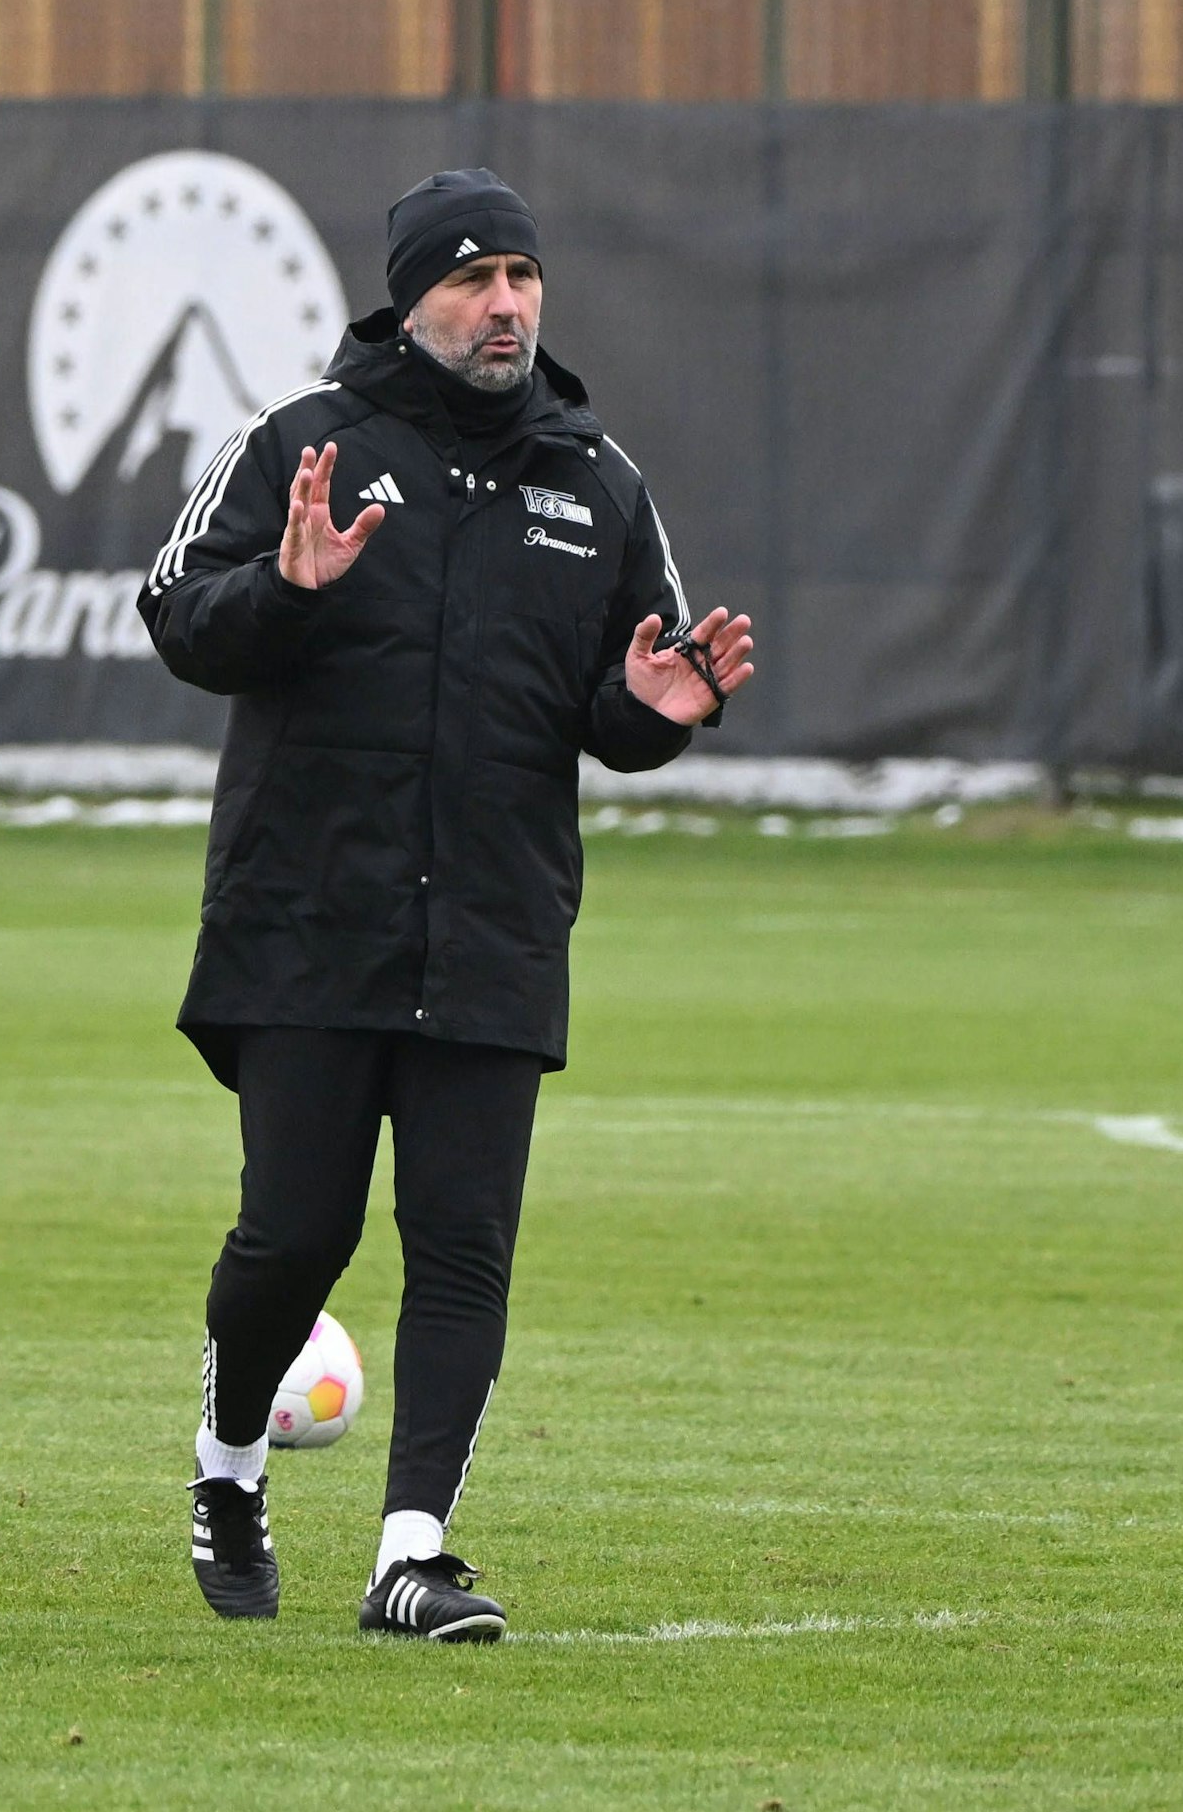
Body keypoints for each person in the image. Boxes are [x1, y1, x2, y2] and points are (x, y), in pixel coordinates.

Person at [138, 168, 754, 1642]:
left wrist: (657, 710)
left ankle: (410, 1557)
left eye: (522, 278)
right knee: (294, 1236)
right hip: (309, 918)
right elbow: (177, 614)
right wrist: (285, 589)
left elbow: (620, 705)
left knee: (464, 1244)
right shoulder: (303, 442)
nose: (505, 305)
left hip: (493, 924)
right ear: (412, 299)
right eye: (474, 280)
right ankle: (229, 1464)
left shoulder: (598, 482)